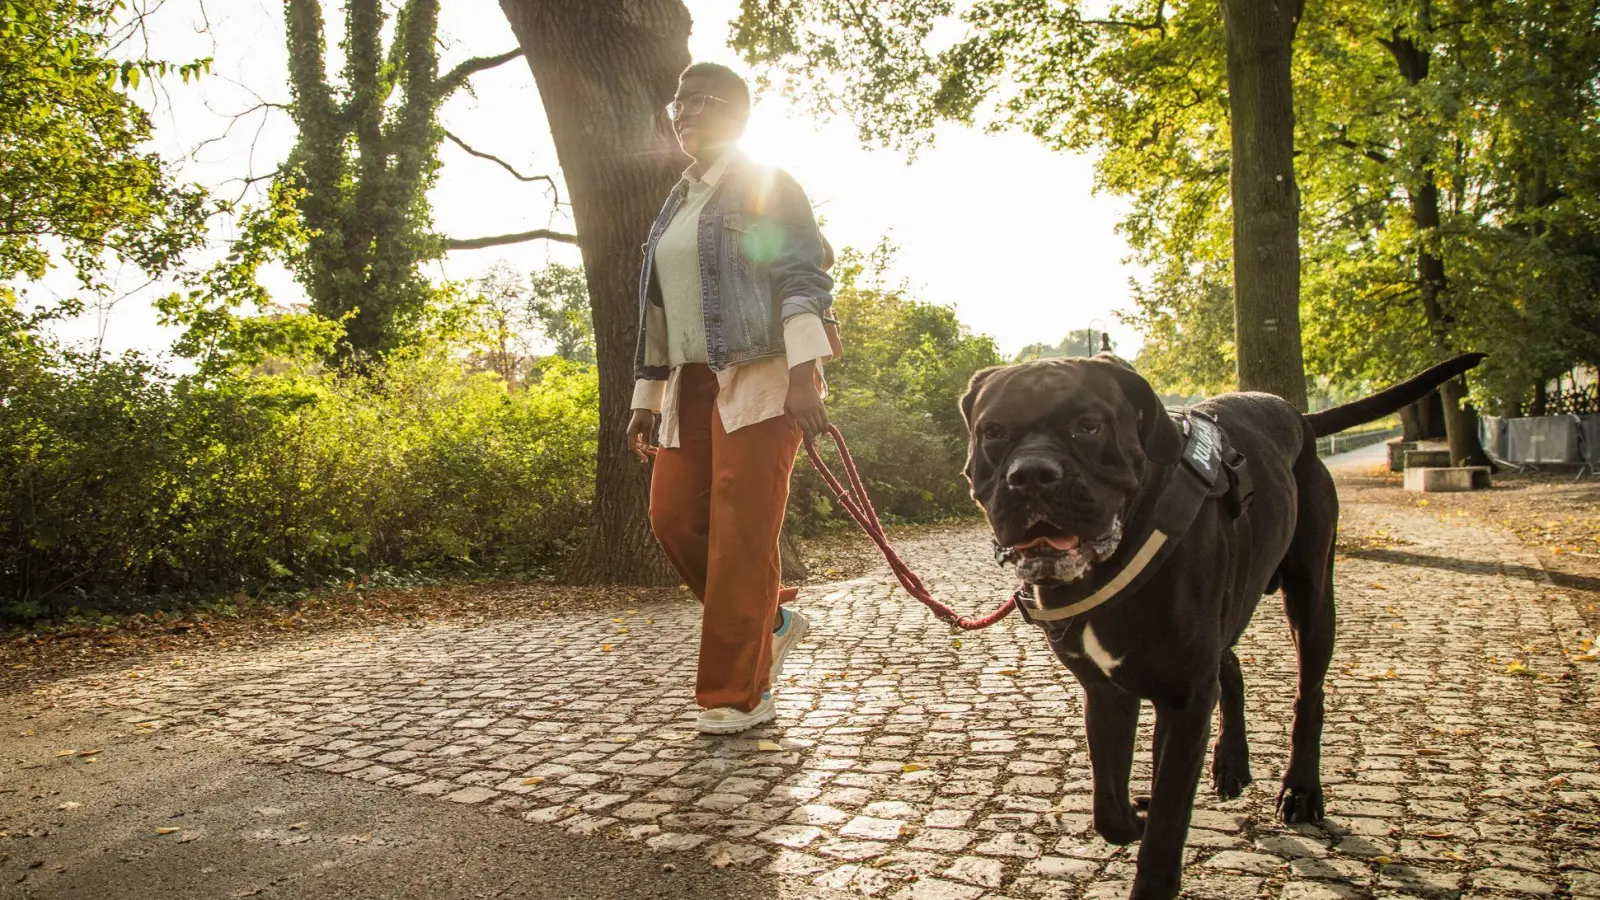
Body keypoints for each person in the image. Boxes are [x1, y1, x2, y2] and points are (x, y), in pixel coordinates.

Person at [626, 62, 834, 735]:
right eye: (679, 102)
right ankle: (770, 621)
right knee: (674, 520)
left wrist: (805, 373)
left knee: (743, 536)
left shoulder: (769, 186)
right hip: (689, 384)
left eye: (705, 102)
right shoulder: (675, 203)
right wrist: (646, 396)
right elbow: (658, 310)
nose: (686, 112)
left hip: (765, 376)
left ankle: (738, 696)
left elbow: (804, 275)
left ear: (741, 116)